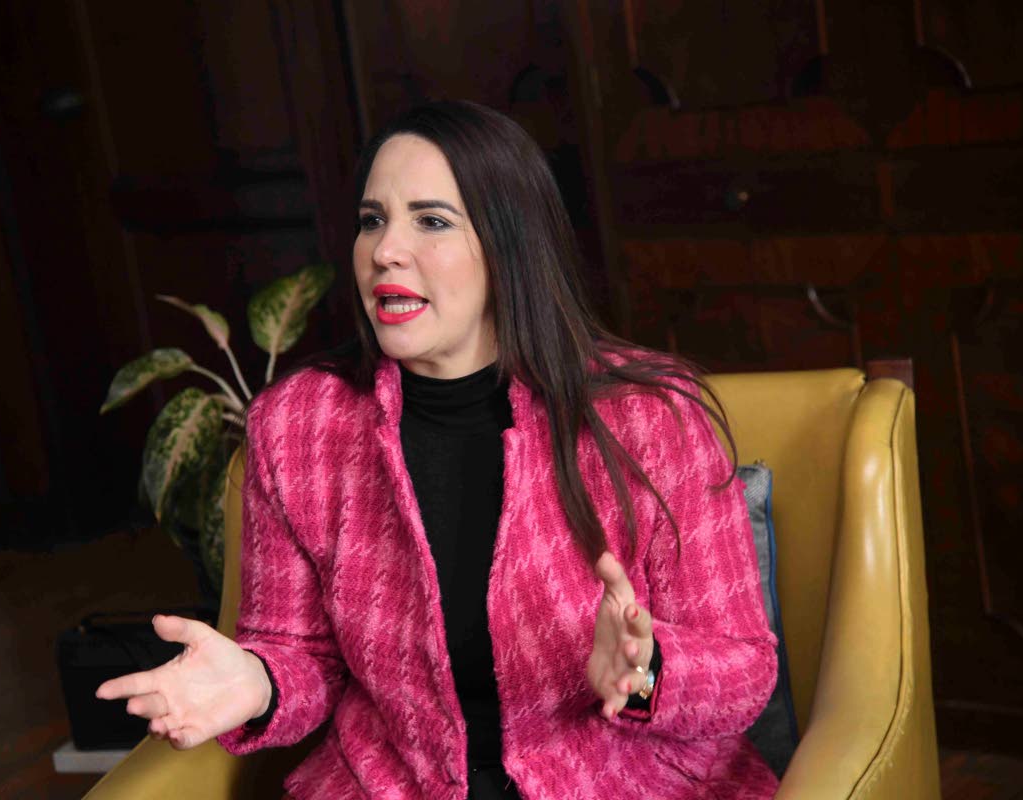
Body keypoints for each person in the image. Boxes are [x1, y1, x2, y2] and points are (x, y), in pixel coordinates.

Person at [97, 100, 779, 799]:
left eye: (431, 221)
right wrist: (259, 681)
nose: (385, 251)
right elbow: (301, 653)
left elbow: (745, 670)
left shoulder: (651, 415)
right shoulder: (298, 426)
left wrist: (648, 672)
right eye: (372, 220)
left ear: (509, 246)